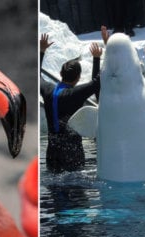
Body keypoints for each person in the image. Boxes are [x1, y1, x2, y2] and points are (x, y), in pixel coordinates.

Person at [40, 34, 101, 173]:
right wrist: (97, 57)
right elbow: (97, 82)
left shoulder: (47, 90)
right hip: (73, 154)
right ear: (79, 77)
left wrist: (41, 51)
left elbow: (37, 75)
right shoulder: (76, 93)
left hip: (52, 154)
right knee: (75, 188)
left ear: (61, 73)